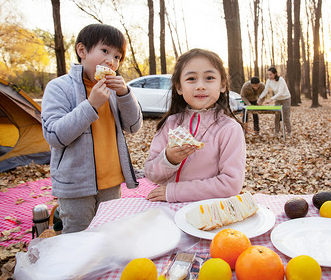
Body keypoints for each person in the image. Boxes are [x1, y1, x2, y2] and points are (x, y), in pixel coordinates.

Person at [41, 24, 143, 233]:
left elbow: (133, 126)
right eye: (105, 51)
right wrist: (91, 105)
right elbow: (54, 135)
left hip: (112, 183)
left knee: (108, 237)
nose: (110, 61)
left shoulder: (115, 90)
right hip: (76, 186)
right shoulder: (59, 87)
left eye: (117, 57)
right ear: (82, 51)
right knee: (78, 241)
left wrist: (125, 94)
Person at [144, 49, 246, 203]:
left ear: (222, 84)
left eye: (209, 78)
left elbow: (230, 184)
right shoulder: (171, 124)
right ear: (179, 87)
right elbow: (151, 174)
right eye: (191, 78)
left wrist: (175, 192)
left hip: (208, 210)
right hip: (166, 210)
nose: (200, 86)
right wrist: (169, 159)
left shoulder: (229, 129)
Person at [257, 66, 292, 136]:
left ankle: (289, 132)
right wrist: (260, 98)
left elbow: (281, 92)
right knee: (277, 116)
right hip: (278, 100)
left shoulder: (281, 80)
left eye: (271, 74)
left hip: (286, 98)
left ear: (275, 74)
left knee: (286, 117)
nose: (269, 76)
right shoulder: (269, 81)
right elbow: (265, 90)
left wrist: (271, 99)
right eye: (268, 75)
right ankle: (276, 132)